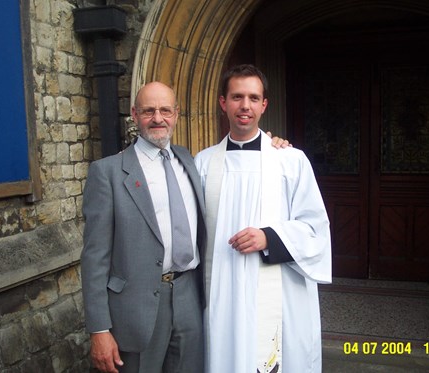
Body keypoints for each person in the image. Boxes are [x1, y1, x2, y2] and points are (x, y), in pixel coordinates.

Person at [81, 81, 289, 373]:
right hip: (136, 309)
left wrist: (272, 143)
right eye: (148, 111)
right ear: (134, 114)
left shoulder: (192, 162)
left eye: (165, 110)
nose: (157, 118)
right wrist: (99, 330)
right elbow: (94, 259)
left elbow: (241, 160)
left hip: (189, 297)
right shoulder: (108, 173)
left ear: (177, 114)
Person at [194, 64, 332, 373]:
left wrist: (270, 237)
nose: (245, 106)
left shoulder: (289, 160)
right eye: (237, 97)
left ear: (264, 105)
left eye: (254, 98)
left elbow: (315, 229)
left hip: (278, 288)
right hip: (223, 288)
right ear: (223, 103)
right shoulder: (203, 163)